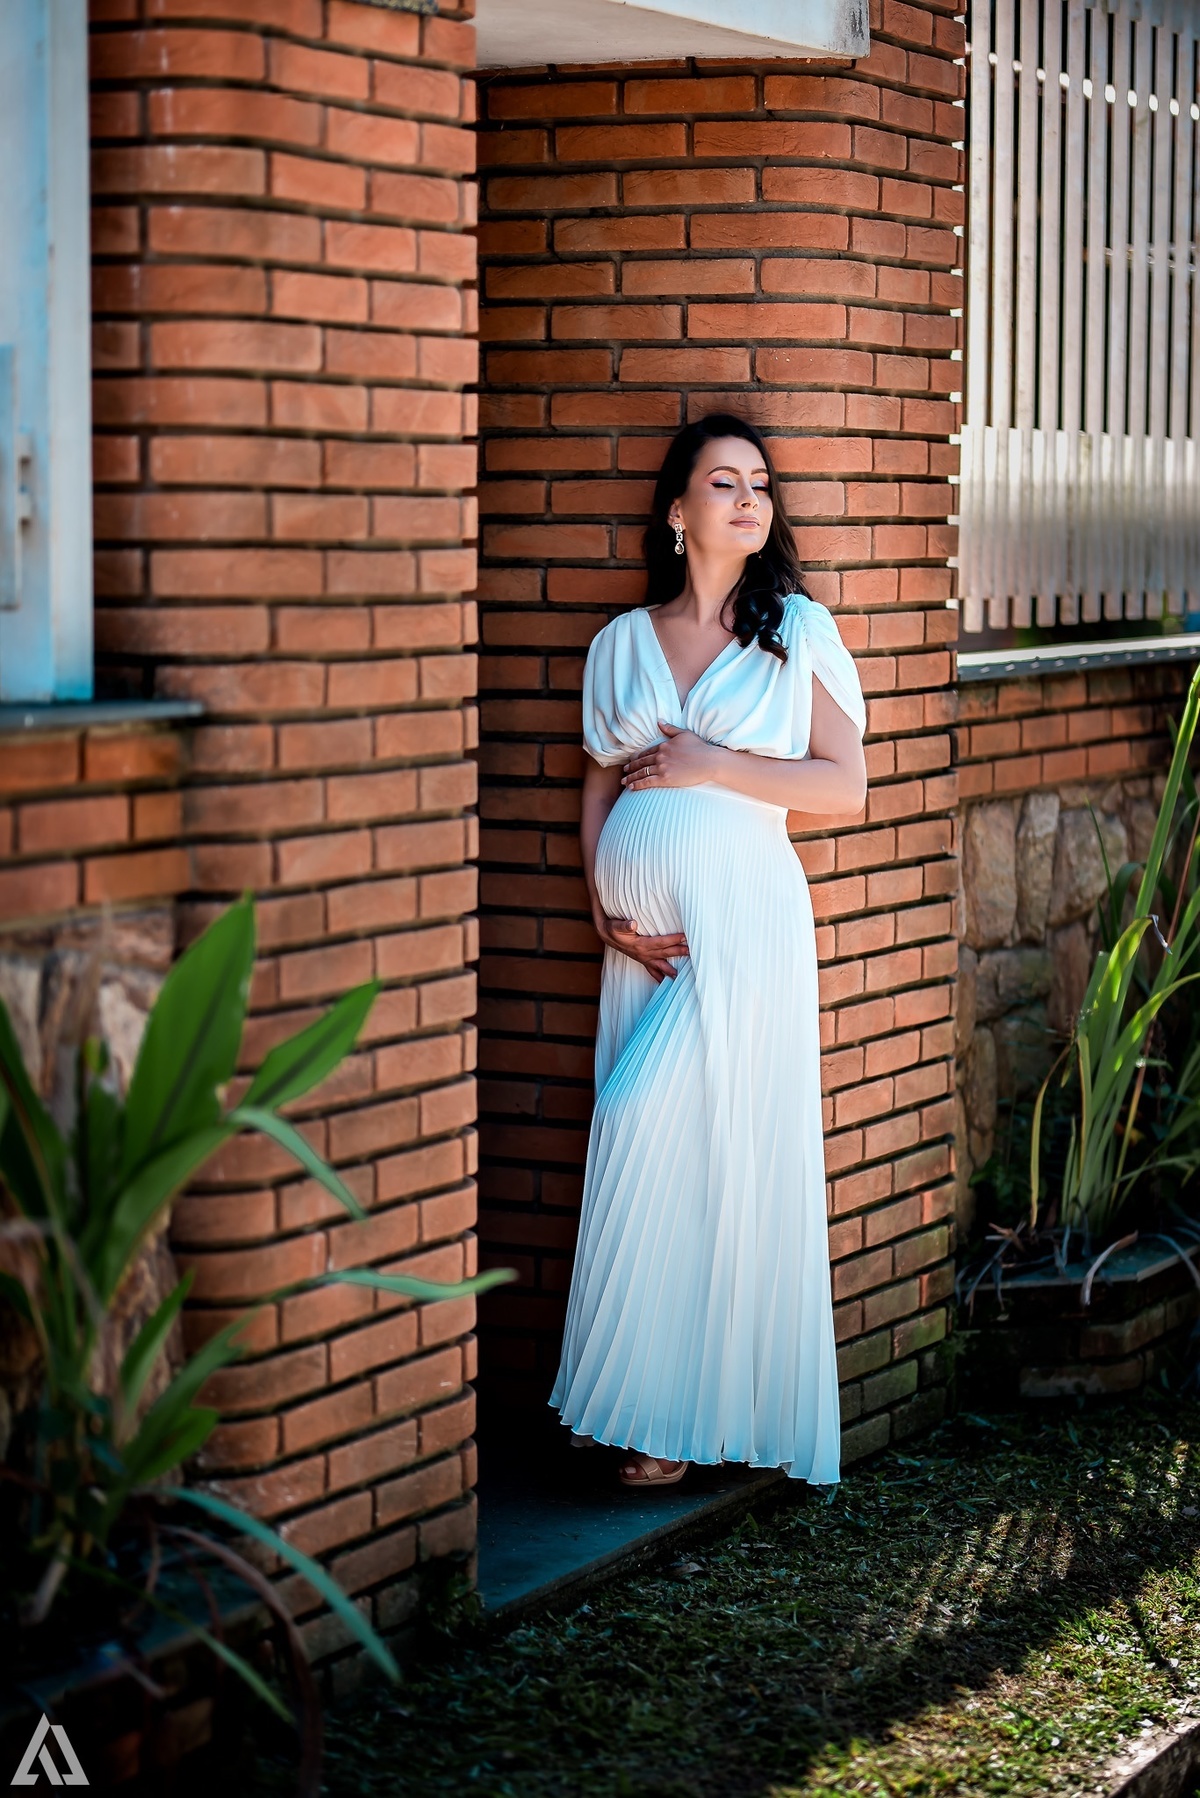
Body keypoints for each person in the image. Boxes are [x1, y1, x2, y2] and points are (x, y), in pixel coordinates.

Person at [548, 412, 869, 1490]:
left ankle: (667, 1420)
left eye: (761, 484)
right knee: (672, 1162)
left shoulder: (798, 633)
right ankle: (633, 1403)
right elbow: (598, 783)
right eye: (723, 482)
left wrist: (713, 761)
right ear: (677, 512)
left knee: (657, 1129)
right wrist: (602, 904)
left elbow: (843, 786)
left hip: (745, 925)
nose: (748, 498)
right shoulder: (620, 645)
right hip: (648, 945)